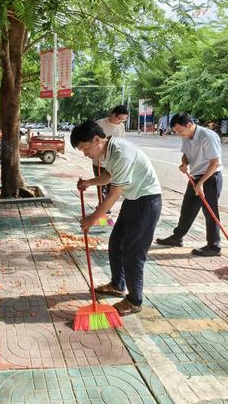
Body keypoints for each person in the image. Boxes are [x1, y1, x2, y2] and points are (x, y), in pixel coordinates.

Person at [71, 120, 162, 316]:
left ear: (97, 140)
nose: (86, 154)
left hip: (147, 203)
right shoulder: (109, 151)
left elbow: (113, 194)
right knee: (116, 243)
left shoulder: (121, 153)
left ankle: (134, 300)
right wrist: (89, 182)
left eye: (86, 148)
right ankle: (117, 284)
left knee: (133, 252)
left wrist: (93, 217)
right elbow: (109, 176)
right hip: (134, 200)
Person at [156, 113, 222, 257]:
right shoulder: (186, 136)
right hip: (195, 177)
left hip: (210, 177)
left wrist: (202, 183)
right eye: (176, 132)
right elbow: (186, 154)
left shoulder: (208, 136)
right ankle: (177, 237)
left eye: (180, 130)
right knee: (187, 208)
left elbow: (215, 163)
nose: (179, 134)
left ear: (190, 125)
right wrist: (184, 163)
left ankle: (214, 246)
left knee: (210, 212)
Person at [93, 105, 129, 205]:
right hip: (99, 161)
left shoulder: (121, 126)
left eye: (124, 120)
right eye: (120, 119)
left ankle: (105, 209)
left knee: (112, 187)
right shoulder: (99, 124)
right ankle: (103, 209)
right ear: (113, 115)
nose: (121, 122)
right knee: (101, 186)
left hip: (114, 162)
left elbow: (122, 143)